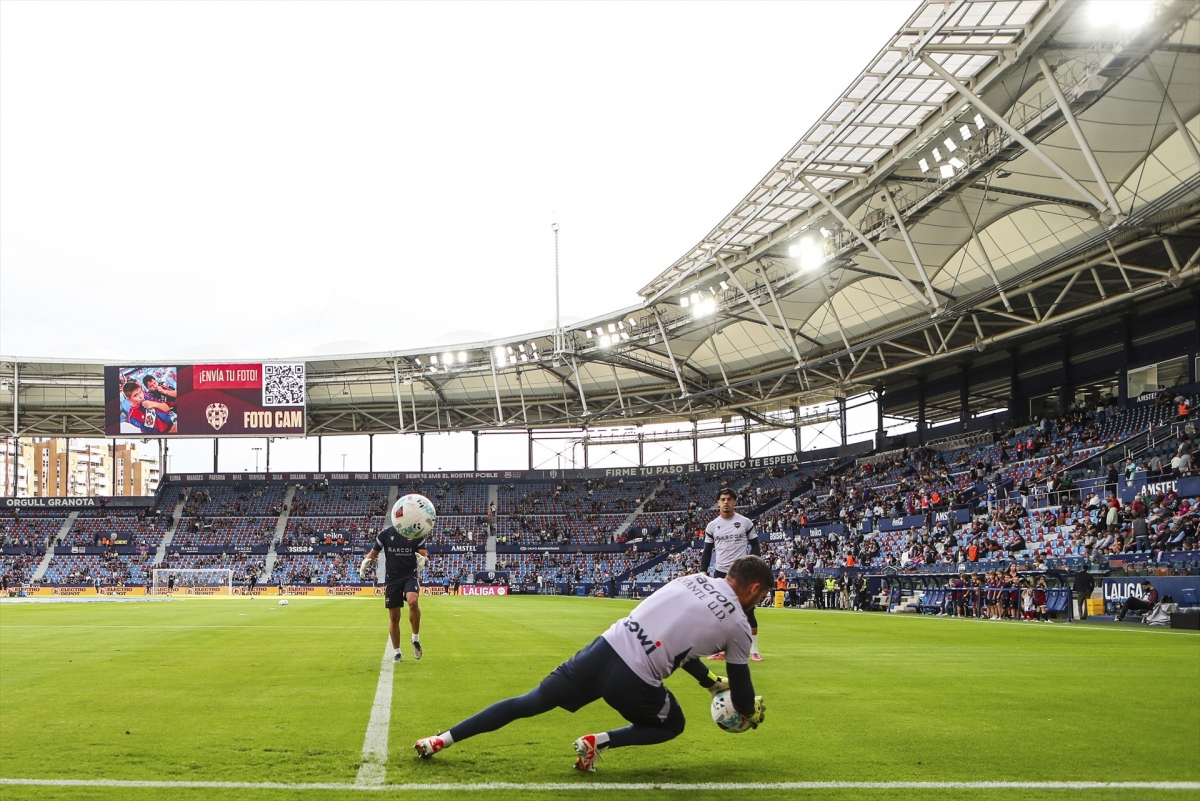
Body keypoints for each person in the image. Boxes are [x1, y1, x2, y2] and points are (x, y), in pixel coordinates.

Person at [413, 555, 771, 772]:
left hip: (602, 649)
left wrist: (709, 681)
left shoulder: (693, 579)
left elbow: (683, 645)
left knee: (529, 702)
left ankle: (440, 739)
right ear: (754, 589)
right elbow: (741, 698)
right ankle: (598, 742)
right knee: (672, 724)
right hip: (634, 679)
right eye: (763, 595)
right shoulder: (738, 624)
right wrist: (749, 713)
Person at [701, 489, 763, 661]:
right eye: (722, 499)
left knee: (748, 612)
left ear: (735, 501)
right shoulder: (712, 526)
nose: (726, 502)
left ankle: (754, 650)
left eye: (729, 499)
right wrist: (703, 571)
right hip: (721, 573)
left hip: (742, 573)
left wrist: (751, 564)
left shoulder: (745, 522)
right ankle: (721, 649)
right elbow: (707, 551)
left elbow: (755, 545)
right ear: (718, 502)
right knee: (720, 613)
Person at [359, 520, 429, 662]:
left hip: (409, 575)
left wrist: (423, 560)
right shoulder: (385, 534)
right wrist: (366, 562)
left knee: (413, 601)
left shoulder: (416, 534)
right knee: (394, 616)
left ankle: (415, 639)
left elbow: (424, 555)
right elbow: (373, 554)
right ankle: (397, 652)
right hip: (391, 579)